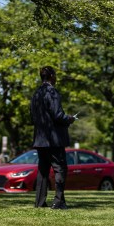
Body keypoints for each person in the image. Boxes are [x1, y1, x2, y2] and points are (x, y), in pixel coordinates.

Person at [30, 66, 76, 209]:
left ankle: (39, 202)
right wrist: (69, 119)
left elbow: (32, 116)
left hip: (40, 138)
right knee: (60, 168)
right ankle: (58, 201)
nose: (56, 78)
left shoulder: (36, 94)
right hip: (54, 139)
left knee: (43, 171)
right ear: (51, 76)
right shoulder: (52, 92)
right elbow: (57, 115)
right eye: (55, 75)